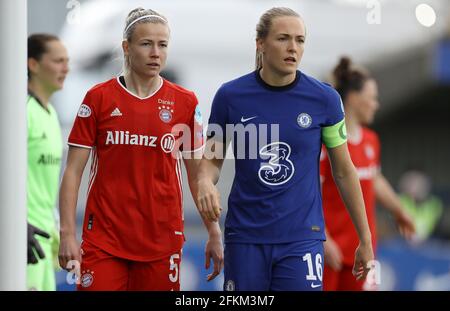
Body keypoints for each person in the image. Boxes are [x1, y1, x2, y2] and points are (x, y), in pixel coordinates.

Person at [195, 7, 374, 291]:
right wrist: (204, 180)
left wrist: (365, 238)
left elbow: (344, 171)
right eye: (283, 39)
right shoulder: (230, 96)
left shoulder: (325, 99)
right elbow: (212, 160)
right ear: (260, 43)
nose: (293, 48)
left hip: (302, 238)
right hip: (246, 237)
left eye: (300, 40)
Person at [58, 8, 223, 291]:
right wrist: (66, 233)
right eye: (146, 44)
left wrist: (213, 231)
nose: (156, 52)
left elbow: (198, 177)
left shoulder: (184, 102)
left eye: (163, 45)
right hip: (104, 241)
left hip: (161, 242)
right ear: (127, 47)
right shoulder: (99, 98)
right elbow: (73, 172)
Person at [320, 57, 416, 291]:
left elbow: (374, 179)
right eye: (372, 98)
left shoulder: (371, 140)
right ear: (353, 98)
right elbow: (308, 192)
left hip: (362, 252)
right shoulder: (325, 144)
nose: (376, 104)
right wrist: (322, 237)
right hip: (328, 250)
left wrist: (399, 210)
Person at [27, 33, 69, 290]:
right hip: (22, 241)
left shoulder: (52, 113)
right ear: (33, 64)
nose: (66, 68)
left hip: (43, 239)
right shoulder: (19, 110)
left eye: (67, 61)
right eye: (58, 61)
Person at [398, 169, 442, 242]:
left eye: (417, 182)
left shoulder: (435, 204)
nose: (413, 186)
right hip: (402, 245)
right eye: (410, 182)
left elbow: (441, 230)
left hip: (429, 245)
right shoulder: (400, 200)